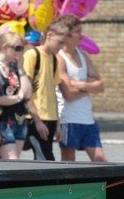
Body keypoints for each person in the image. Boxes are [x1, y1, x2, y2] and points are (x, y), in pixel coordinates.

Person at [55, 15, 106, 162]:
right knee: (69, 161)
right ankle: (68, 186)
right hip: (68, 118)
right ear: (67, 35)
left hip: (87, 118)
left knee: (100, 159)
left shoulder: (83, 55)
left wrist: (81, 84)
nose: (81, 35)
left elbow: (101, 86)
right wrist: (90, 86)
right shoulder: (59, 58)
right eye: (78, 31)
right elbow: (69, 94)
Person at [22, 20, 66, 161]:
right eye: (59, 42)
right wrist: (37, 120)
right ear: (49, 35)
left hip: (50, 117)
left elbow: (52, 92)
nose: (61, 47)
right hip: (36, 117)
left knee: (46, 157)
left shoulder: (53, 59)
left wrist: (58, 123)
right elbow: (26, 91)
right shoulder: (32, 55)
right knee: (44, 158)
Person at [0, 29, 36, 160]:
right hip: (2, 121)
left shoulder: (15, 67)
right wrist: (18, 97)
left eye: (22, 48)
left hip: (19, 119)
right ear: (5, 48)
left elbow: (28, 93)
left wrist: (21, 68)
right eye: (17, 48)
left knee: (14, 163)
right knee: (12, 160)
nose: (20, 52)